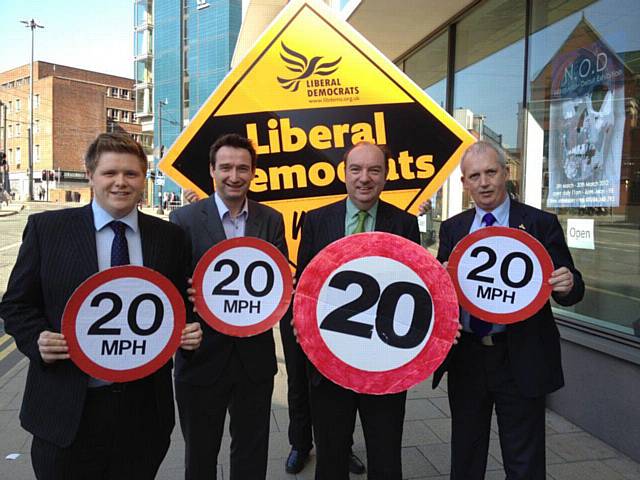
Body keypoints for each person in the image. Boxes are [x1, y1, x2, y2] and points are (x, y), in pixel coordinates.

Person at [0, 132, 202, 479]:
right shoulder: (48, 229)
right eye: (110, 173)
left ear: (143, 180)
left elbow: (182, 307)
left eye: (131, 174)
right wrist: (38, 340)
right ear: (91, 176)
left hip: (142, 414)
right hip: (67, 411)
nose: (120, 183)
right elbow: (16, 304)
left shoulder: (169, 237)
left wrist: (190, 333)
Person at [433, 140, 584, 479]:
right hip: (468, 358)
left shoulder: (540, 223)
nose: (484, 183)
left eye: (490, 172)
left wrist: (569, 283)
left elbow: (569, 287)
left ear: (506, 173)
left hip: (520, 357)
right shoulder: (453, 228)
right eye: (475, 176)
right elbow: (444, 298)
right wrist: (439, 282)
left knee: (524, 457)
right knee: (466, 452)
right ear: (464, 183)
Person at [295, 141, 420, 480]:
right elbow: (304, 290)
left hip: (386, 365)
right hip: (330, 364)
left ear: (386, 175)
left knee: (386, 456)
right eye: (356, 169)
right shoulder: (317, 221)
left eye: (374, 170)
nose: (365, 178)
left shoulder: (405, 224)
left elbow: (416, 294)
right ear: (344, 173)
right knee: (331, 457)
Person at [170, 133, 287, 480]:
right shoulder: (184, 219)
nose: (234, 176)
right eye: (225, 168)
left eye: (242, 168)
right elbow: (168, 286)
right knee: (200, 454)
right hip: (201, 356)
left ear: (253, 173)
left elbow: (278, 281)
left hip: (254, 358)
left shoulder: (271, 219)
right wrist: (185, 295)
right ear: (211, 171)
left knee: (252, 452)